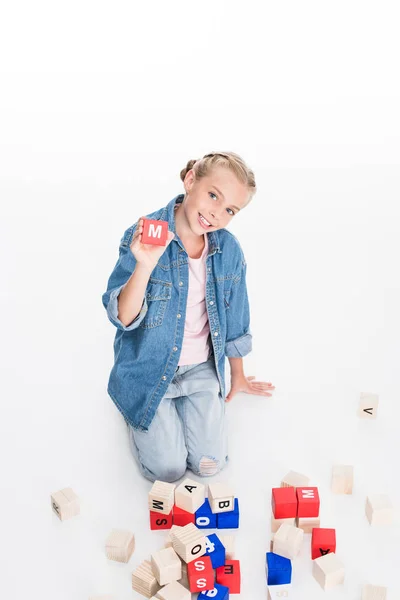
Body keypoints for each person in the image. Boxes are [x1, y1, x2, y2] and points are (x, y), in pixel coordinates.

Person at [102, 151, 275, 483]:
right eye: (213, 195)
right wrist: (145, 264)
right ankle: (137, 408)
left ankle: (182, 413)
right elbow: (123, 317)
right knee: (168, 471)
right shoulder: (145, 235)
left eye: (229, 210)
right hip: (149, 371)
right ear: (191, 180)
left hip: (200, 370)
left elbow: (236, 316)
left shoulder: (228, 250)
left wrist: (237, 374)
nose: (216, 213)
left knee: (210, 465)